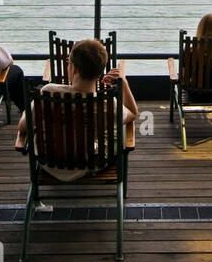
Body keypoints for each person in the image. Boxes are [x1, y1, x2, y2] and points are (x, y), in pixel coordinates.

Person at [14, 38, 138, 181]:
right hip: (89, 165)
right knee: (117, 132)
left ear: (74, 68)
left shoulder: (48, 93)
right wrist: (124, 83)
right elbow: (133, 113)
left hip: (50, 162)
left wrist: (29, 113)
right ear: (100, 71)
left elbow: (23, 127)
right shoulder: (109, 104)